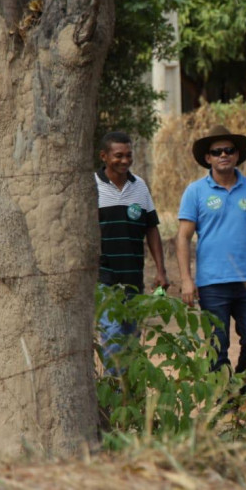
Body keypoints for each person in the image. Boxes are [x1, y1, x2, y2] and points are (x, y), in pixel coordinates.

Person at [176, 125, 246, 392]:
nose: (223, 155)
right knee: (217, 345)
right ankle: (224, 401)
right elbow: (183, 237)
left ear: (237, 155)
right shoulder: (196, 191)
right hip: (212, 283)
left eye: (229, 150)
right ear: (208, 158)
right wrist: (187, 280)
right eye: (217, 151)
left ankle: (240, 392)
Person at [95, 131, 168, 367]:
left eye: (129, 155)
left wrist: (160, 270)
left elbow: (152, 229)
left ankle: (130, 400)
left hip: (134, 278)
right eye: (118, 156)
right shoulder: (92, 186)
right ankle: (115, 399)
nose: (125, 161)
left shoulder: (140, 187)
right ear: (104, 156)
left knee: (131, 342)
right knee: (114, 342)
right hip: (104, 278)